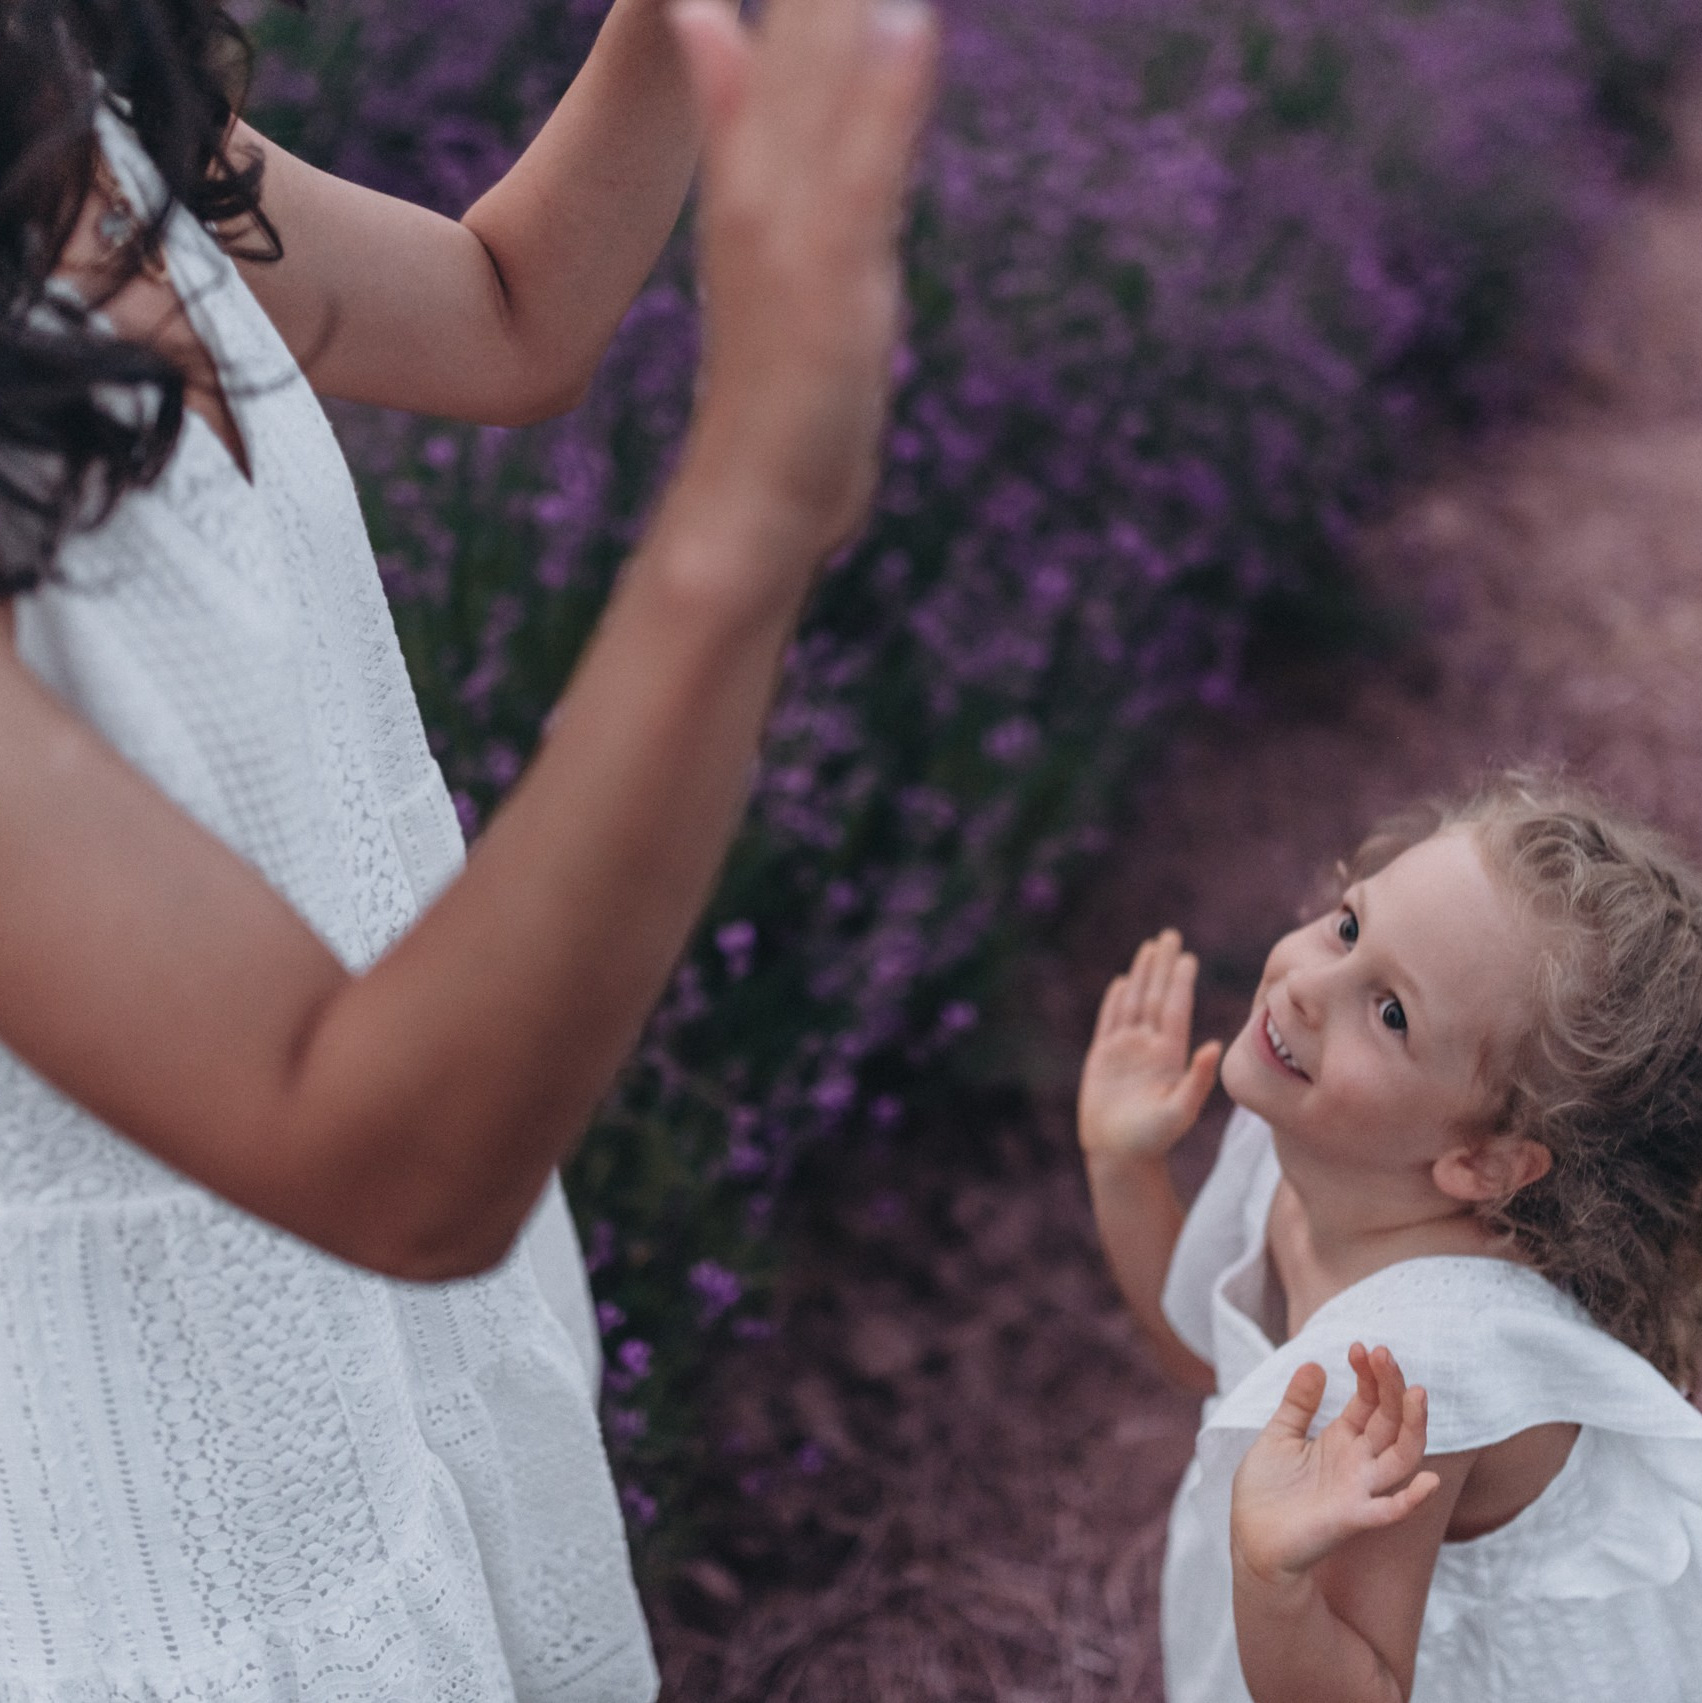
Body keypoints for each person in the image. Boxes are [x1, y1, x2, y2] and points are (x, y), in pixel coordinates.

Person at [0, 0, 935, 1693]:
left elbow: (506, 314)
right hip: (144, 1545)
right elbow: (383, 1155)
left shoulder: (69, 103)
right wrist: (746, 518)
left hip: (365, 1380)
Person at [1078, 774, 1702, 1703]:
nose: (1305, 986)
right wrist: (1123, 1166)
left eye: (1393, 1013)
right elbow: (1208, 1356)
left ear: (1483, 1163)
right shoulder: (1311, 1143)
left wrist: (1270, 1579)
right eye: (1348, 924)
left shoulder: (1419, 1363)